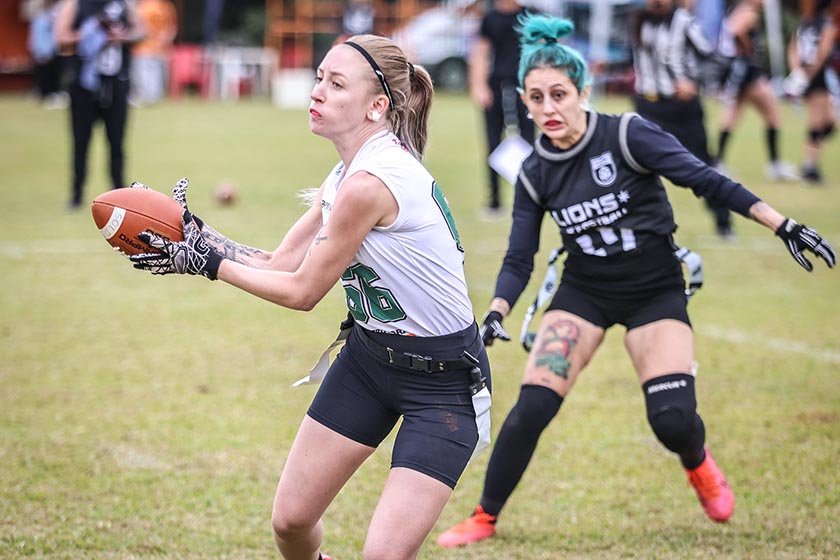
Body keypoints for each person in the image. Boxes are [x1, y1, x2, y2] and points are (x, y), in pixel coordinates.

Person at [436, 12, 836, 548]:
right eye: (535, 98)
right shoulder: (534, 170)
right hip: (584, 292)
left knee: (671, 420)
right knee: (532, 404)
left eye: (559, 94)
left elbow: (705, 179)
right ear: (525, 102)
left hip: (654, 290)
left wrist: (781, 223)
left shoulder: (625, 134)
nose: (548, 109)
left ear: (583, 90)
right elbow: (518, 256)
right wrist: (497, 312)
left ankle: (698, 463)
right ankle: (485, 516)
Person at [127, 33, 492, 560]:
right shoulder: (345, 173)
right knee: (291, 522)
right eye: (320, 77)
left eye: (336, 83)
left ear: (377, 106)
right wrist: (197, 236)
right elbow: (281, 262)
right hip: (369, 362)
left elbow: (301, 292)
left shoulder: (370, 183)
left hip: (441, 384)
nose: (317, 91)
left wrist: (207, 263)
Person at [631, 0, 734, 239]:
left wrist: (694, 82)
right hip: (647, 106)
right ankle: (635, 227)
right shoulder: (639, 21)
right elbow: (637, 58)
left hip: (680, 109)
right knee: (631, 167)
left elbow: (714, 58)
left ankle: (724, 223)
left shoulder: (685, 23)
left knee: (700, 166)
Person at [55, 0, 144, 211]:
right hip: (83, 86)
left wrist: (120, 36)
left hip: (116, 84)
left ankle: (121, 197)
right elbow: (60, 38)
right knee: (81, 142)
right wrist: (90, 35)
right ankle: (76, 195)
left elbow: (141, 32)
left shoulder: (125, 4)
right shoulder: (75, 4)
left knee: (117, 143)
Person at [714, 0, 798, 181]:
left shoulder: (737, 10)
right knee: (773, 115)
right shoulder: (749, 13)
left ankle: (718, 161)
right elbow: (737, 31)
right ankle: (775, 164)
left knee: (731, 116)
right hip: (748, 72)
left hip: (737, 70)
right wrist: (747, 48)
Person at [470, 0, 535, 217]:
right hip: (495, 89)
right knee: (493, 144)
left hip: (525, 89)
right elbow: (480, 52)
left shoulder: (530, 16)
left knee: (528, 143)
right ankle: (495, 201)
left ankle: (529, 197)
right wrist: (479, 85)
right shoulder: (490, 19)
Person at [786, 0, 837, 184]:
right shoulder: (825, 23)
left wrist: (798, 72)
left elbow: (792, 49)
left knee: (830, 121)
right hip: (815, 75)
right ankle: (810, 168)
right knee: (817, 121)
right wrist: (804, 74)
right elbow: (823, 51)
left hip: (809, 74)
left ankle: (811, 157)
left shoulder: (806, 21)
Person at [130, 0, 177, 106]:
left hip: (142, 47)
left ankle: (145, 97)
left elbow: (138, 28)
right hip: (159, 47)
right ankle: (152, 96)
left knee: (142, 74)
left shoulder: (144, 7)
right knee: (154, 73)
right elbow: (171, 28)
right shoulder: (166, 6)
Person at [28, 0, 68, 109]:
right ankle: (46, 96)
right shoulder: (40, 18)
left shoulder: (53, 16)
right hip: (44, 51)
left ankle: (52, 95)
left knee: (53, 74)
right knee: (45, 75)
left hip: (52, 51)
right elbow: (36, 37)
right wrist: (39, 51)